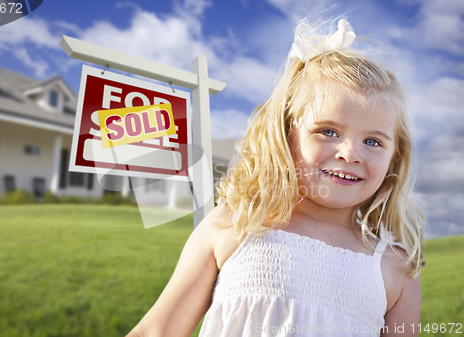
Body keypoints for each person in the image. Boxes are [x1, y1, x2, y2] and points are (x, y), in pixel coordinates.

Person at [126, 17, 425, 337]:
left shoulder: (396, 268)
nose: (350, 153)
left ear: (396, 154)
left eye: (372, 141)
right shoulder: (236, 223)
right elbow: (157, 330)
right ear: (286, 134)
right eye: (328, 131)